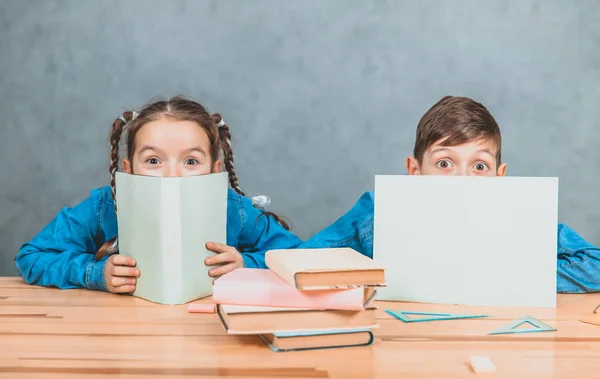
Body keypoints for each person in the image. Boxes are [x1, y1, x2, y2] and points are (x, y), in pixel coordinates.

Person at [299, 95, 600, 293]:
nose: (462, 179)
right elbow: (300, 263)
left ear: (499, 176)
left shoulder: (520, 222)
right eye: (445, 163)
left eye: (480, 166)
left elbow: (594, 267)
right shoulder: (377, 218)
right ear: (415, 170)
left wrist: (505, 269)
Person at [15, 96, 301, 294]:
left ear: (215, 170)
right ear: (128, 169)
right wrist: (95, 274)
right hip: (123, 334)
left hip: (212, 335)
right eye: (154, 161)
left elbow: (299, 258)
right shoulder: (102, 207)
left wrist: (246, 265)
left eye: (190, 161)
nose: (171, 175)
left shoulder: (235, 210)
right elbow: (31, 257)